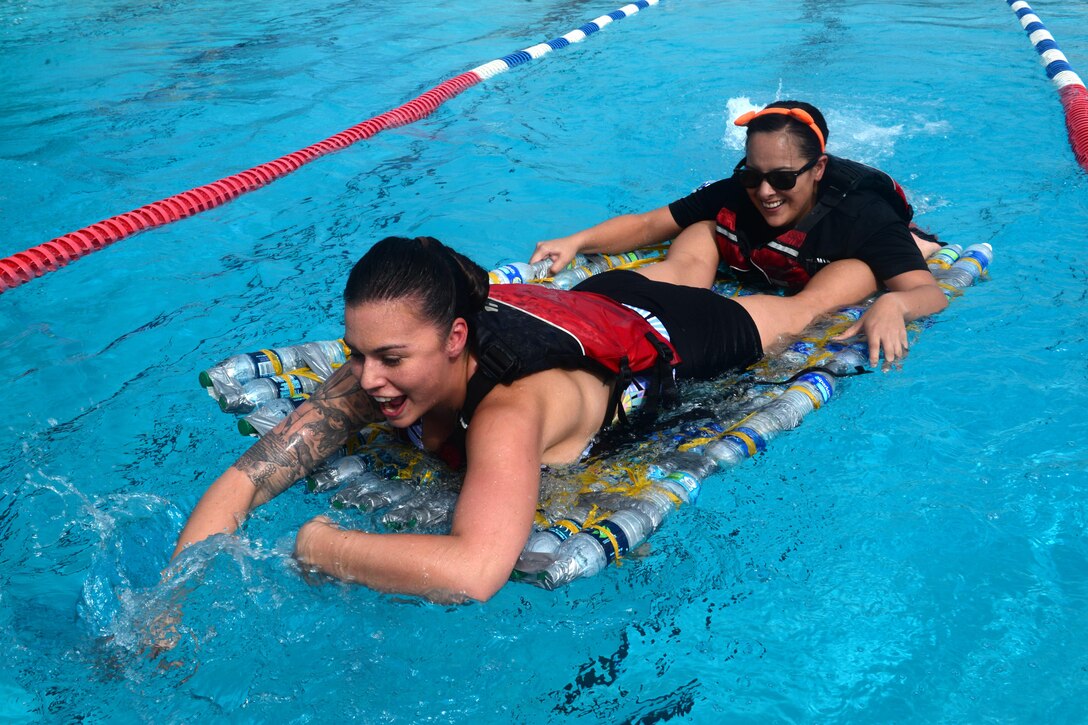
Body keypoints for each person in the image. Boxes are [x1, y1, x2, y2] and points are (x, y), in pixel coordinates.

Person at [171, 236, 877, 603]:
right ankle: (697, 244)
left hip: (673, 334)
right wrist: (169, 600)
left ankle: (873, 262)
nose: (369, 379)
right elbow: (245, 480)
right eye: (357, 354)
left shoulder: (509, 411)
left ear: (455, 338)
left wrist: (323, 546)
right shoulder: (372, 373)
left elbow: (476, 571)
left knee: (798, 309)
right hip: (593, 303)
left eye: (390, 356)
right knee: (680, 264)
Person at [529, 100, 948, 367]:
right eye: (754, 174)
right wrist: (577, 241)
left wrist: (895, 305)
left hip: (827, 273)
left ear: (818, 169)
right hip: (756, 261)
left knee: (858, 269)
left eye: (783, 178)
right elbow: (647, 225)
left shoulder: (864, 216)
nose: (765, 192)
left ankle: (915, 244)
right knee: (704, 228)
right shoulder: (739, 191)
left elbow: (929, 294)